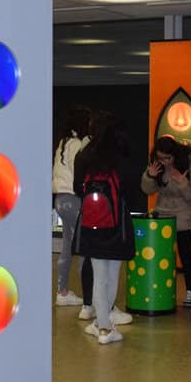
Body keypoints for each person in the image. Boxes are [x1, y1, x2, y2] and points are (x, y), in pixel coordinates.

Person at [73, 114, 133, 344]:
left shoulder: (84, 155)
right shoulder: (121, 155)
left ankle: (102, 326)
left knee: (99, 276)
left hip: (92, 223)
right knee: (113, 273)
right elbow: (128, 187)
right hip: (117, 223)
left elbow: (78, 188)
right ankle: (105, 328)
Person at [143, 136, 191, 305]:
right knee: (161, 256)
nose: (164, 162)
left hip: (184, 216)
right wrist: (149, 176)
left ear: (175, 154)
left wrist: (183, 183)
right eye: (160, 158)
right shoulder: (156, 164)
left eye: (167, 158)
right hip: (162, 215)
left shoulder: (189, 164)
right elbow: (147, 190)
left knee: (185, 254)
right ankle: (159, 291)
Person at [52, 105, 91, 307]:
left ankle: (62, 291)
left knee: (67, 246)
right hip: (74, 199)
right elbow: (79, 172)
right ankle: (89, 298)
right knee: (84, 247)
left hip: (60, 200)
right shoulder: (76, 144)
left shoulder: (62, 142)